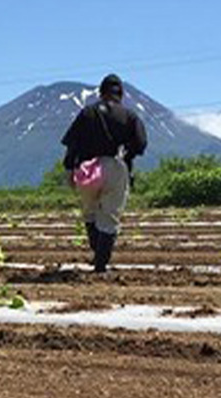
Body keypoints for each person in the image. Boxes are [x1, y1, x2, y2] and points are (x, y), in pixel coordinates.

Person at [61, 73, 148, 273]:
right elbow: (141, 144)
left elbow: (71, 145)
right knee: (109, 217)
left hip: (87, 170)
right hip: (115, 167)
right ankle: (101, 265)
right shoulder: (129, 116)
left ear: (101, 93)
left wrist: (69, 169)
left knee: (90, 213)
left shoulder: (87, 113)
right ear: (121, 94)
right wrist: (127, 155)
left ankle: (96, 250)